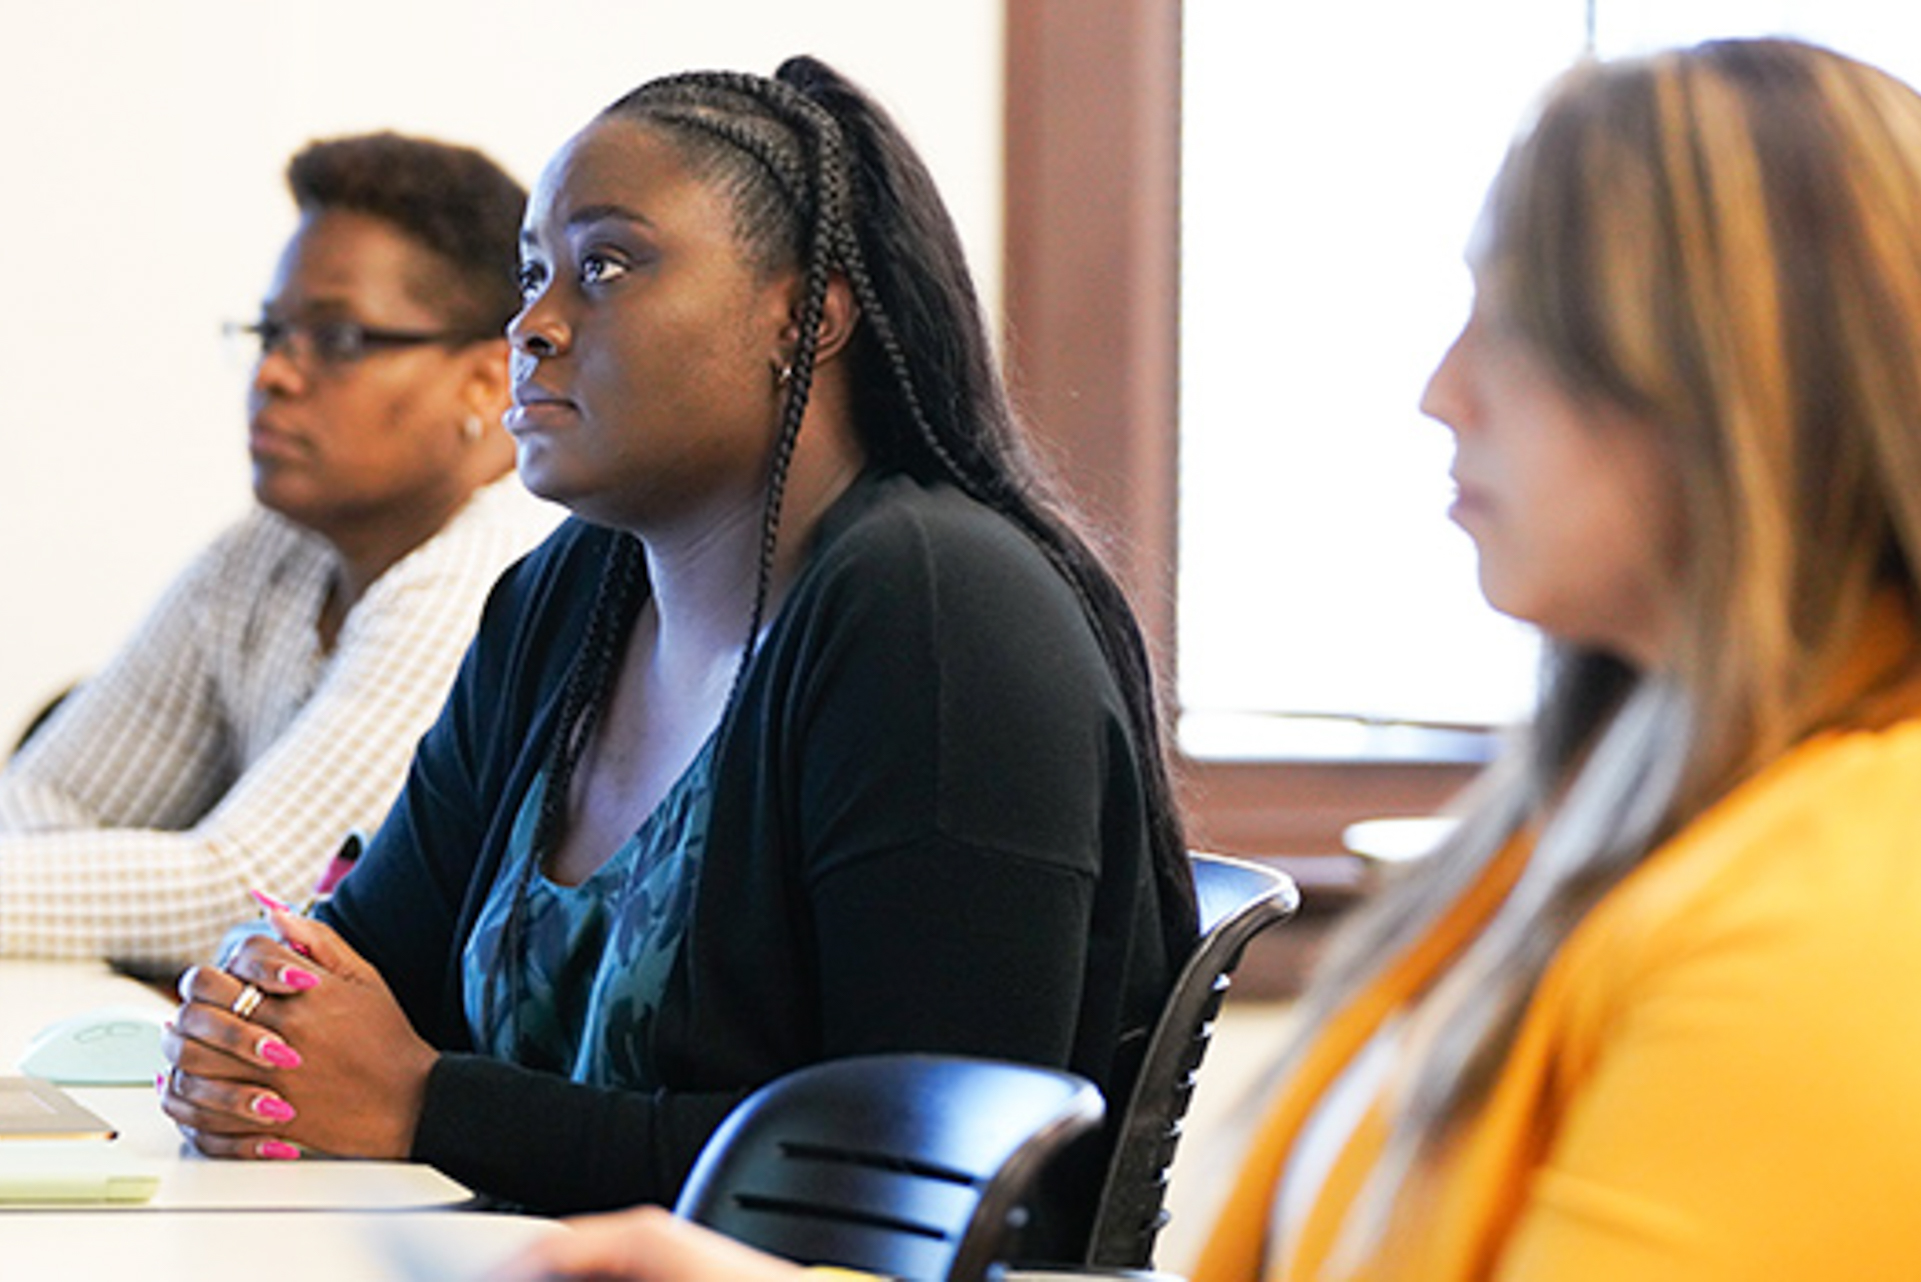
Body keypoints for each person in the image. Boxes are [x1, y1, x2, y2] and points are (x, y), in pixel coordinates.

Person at [495, 35, 1921, 1282]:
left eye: (1525, 324)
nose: (1442, 390)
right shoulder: (1598, 826)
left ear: (1748, 378)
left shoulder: (1836, 912)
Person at [158, 55, 1198, 1232]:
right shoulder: (564, 602)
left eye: (605, 266)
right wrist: (254, 1018)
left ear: (805, 316)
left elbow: (904, 1172)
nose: (533, 326)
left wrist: (426, 1104)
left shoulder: (932, 608)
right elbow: (361, 967)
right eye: (532, 275)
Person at [0, 132, 555, 968]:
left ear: (486, 379)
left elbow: (245, 895)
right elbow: (48, 799)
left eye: (335, 340)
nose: (274, 375)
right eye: (271, 331)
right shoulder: (269, 552)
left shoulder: (493, 572)